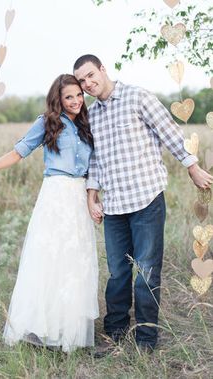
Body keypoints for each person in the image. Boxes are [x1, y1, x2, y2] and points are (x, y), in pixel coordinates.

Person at [73, 54, 213, 353]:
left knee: (146, 273)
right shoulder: (93, 115)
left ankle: (147, 339)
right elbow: (95, 159)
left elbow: (170, 132)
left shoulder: (138, 97)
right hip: (114, 207)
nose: (87, 84)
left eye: (89, 75)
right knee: (118, 274)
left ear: (102, 68)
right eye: (82, 81)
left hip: (146, 200)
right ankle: (115, 334)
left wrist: (192, 166)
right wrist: (92, 194)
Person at [0, 74, 99, 352]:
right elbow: (19, 151)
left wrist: (93, 196)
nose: (76, 101)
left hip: (78, 197)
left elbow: (94, 166)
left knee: (75, 261)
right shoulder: (47, 122)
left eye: (79, 95)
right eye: (69, 96)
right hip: (56, 196)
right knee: (50, 258)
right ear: (59, 98)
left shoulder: (86, 124)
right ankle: (43, 326)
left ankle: (69, 327)